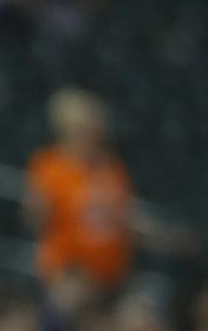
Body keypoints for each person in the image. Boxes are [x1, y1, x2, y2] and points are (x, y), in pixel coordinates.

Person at [26, 88, 133, 290]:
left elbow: (122, 216)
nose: (87, 137)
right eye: (79, 131)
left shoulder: (112, 168)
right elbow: (37, 220)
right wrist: (37, 209)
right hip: (67, 270)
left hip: (111, 271)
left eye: (92, 130)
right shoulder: (50, 166)